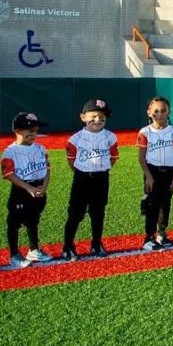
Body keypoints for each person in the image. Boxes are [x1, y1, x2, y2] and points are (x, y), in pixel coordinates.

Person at [63, 98, 118, 260]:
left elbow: (113, 158)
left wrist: (101, 170)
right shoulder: (75, 139)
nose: (98, 120)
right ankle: (68, 246)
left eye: (102, 117)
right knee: (75, 213)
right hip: (82, 178)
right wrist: (83, 172)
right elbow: (71, 161)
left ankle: (96, 244)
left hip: (101, 178)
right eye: (93, 116)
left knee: (98, 212)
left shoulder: (110, 137)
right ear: (83, 117)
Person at [3, 112, 52, 268]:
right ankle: (14, 254)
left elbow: (47, 169)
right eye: (29, 130)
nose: (33, 134)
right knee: (14, 222)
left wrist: (44, 186)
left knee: (33, 220)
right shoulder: (10, 151)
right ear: (17, 131)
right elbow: (8, 175)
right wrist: (28, 187)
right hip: (21, 190)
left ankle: (34, 249)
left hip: (38, 189)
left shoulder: (41, 148)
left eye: (35, 131)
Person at [136, 96, 173, 250]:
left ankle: (161, 233)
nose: (159, 114)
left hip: (169, 172)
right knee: (152, 204)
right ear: (149, 112)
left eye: (163, 110)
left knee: (165, 204)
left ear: (168, 112)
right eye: (156, 111)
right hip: (153, 171)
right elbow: (141, 157)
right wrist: (148, 176)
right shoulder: (145, 132)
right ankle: (149, 237)